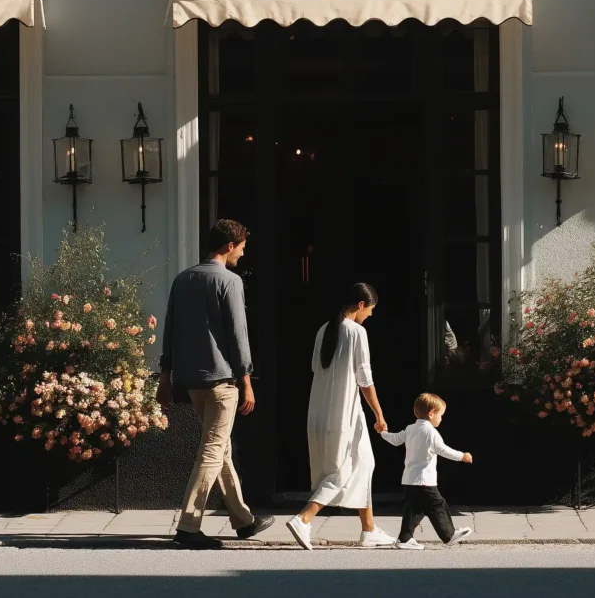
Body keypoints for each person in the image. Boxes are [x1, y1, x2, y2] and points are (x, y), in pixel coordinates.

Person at [158, 219, 273, 549]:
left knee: (220, 449)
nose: (242, 254)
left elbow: (170, 331)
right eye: (241, 248)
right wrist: (247, 382)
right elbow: (239, 336)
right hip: (222, 382)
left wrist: (165, 378)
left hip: (192, 381)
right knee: (212, 451)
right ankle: (189, 525)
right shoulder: (230, 281)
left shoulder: (183, 280)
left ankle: (243, 520)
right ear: (228, 246)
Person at [285, 283, 395, 551]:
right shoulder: (357, 332)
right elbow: (365, 379)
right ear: (360, 305)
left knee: (364, 463)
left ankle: (368, 529)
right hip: (344, 413)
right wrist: (379, 413)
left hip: (322, 410)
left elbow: (316, 369)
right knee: (340, 472)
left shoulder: (324, 330)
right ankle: (304, 518)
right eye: (370, 310)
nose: (370, 315)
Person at [379, 393, 474, 550]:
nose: (441, 419)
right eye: (440, 415)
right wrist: (462, 456)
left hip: (409, 479)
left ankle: (405, 538)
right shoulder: (430, 432)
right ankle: (449, 535)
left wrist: (383, 432)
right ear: (432, 414)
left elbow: (395, 439)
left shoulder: (410, 429)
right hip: (424, 480)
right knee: (438, 504)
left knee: (414, 509)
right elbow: (443, 450)